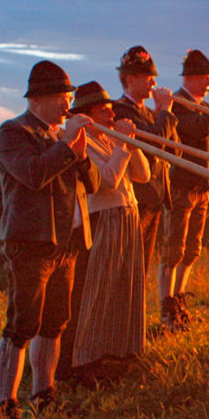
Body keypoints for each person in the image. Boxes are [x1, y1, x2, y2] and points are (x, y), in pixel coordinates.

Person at [0, 60, 100, 419]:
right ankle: (6, 405)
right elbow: (34, 175)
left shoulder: (61, 135)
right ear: (37, 99)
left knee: (55, 323)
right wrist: (69, 143)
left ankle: (44, 394)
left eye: (68, 97)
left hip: (65, 243)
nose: (67, 104)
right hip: (30, 244)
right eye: (61, 97)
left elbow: (95, 183)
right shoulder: (13, 132)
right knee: (22, 325)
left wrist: (83, 154)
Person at [67, 82, 151, 382]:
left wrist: (130, 144)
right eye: (104, 110)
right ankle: (85, 359)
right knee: (99, 289)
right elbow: (108, 180)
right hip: (104, 217)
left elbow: (143, 175)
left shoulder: (109, 139)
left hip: (128, 213)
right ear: (87, 114)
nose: (112, 114)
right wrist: (122, 145)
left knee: (124, 286)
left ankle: (120, 349)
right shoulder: (84, 142)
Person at [158, 49, 209, 331]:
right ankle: (166, 305)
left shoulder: (206, 106)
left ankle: (179, 298)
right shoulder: (178, 104)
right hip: (182, 183)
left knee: (192, 249)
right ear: (191, 79)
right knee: (174, 248)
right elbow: (198, 130)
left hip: (204, 183)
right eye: (206, 79)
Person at [110, 46, 177, 280]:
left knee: (143, 265)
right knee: (129, 265)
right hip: (136, 198)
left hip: (153, 197)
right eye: (148, 78)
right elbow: (154, 146)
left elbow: (173, 148)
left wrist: (162, 114)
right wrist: (166, 112)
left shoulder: (149, 113)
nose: (152, 84)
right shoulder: (120, 111)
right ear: (130, 79)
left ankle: (136, 314)